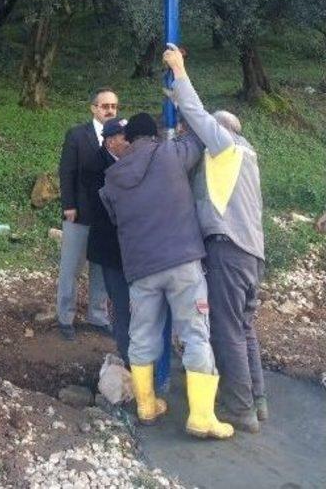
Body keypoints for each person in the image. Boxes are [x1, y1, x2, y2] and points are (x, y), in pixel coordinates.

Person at [99, 112, 234, 439]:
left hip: (142, 270)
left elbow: (115, 217)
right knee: (194, 334)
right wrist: (183, 114)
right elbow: (202, 136)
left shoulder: (112, 178)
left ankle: (147, 406)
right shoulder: (171, 154)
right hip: (182, 261)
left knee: (142, 335)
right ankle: (201, 417)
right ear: (155, 134)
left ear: (128, 140)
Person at [164, 43, 267, 433]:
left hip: (229, 251)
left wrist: (180, 72)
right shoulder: (246, 157)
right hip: (250, 255)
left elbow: (197, 115)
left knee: (225, 330)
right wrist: (172, 95)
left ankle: (239, 410)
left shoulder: (226, 147)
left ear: (221, 132)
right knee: (243, 327)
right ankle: (258, 400)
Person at [57, 88, 118, 340]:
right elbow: (66, 171)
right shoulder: (77, 135)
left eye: (114, 106)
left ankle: (98, 316)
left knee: (101, 269)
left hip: (106, 216)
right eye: (105, 106)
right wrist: (68, 205)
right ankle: (65, 317)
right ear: (93, 108)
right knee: (71, 267)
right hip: (79, 212)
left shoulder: (119, 137)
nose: (110, 110)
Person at [86, 117, 131, 366]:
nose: (128, 143)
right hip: (108, 241)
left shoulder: (125, 161)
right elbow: (100, 204)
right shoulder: (96, 163)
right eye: (125, 139)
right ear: (111, 141)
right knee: (115, 294)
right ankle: (124, 345)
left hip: (126, 243)